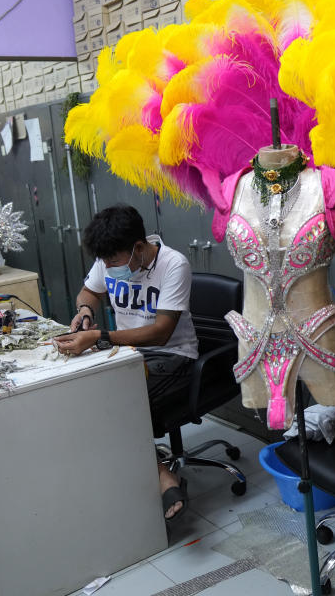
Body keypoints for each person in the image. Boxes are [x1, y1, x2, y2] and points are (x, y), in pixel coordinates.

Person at [55, 205, 198, 522]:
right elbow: (88, 292)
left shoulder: (174, 265)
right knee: (81, 391)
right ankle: (156, 470)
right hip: (126, 352)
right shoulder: (110, 256)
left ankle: (161, 478)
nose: (109, 267)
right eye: (104, 262)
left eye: (114, 262)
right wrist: (86, 313)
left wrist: (98, 338)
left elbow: (161, 334)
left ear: (137, 247)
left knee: (111, 403)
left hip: (172, 356)